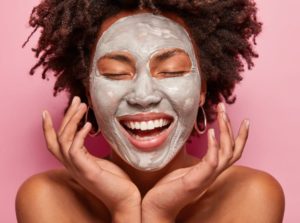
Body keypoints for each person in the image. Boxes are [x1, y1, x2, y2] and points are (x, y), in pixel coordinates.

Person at [16, 0, 285, 222]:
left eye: (171, 71)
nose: (143, 96)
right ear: (89, 93)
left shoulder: (252, 195)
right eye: (116, 73)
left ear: (202, 88)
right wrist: (125, 208)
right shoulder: (45, 197)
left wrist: (159, 213)